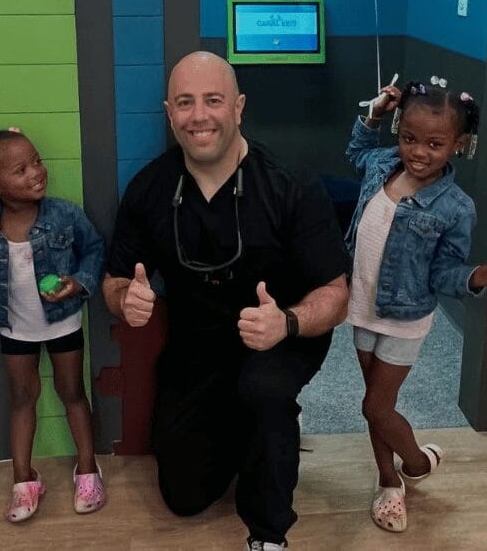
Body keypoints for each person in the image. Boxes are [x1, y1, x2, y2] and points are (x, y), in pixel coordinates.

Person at [102, 51, 350, 551]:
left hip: (278, 338)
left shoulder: (289, 184)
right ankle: (255, 427)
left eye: (213, 101)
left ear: (238, 107)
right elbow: (112, 280)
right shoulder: (149, 189)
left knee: (264, 392)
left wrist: (289, 322)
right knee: (184, 496)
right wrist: (124, 299)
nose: (199, 116)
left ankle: (268, 533)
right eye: (185, 103)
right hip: (197, 344)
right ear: (169, 112)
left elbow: (336, 294)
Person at [346, 77, 487, 533]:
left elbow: (445, 273)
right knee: (371, 403)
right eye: (409, 138)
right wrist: (377, 111)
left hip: (405, 318)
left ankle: (416, 463)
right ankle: (388, 483)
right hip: (361, 305)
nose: (418, 152)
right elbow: (356, 149)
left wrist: (477, 276)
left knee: (378, 408)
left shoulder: (456, 207)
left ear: (459, 145)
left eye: (435, 143)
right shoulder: (382, 163)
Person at [0, 127, 106, 522]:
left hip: (63, 323)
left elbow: (93, 250)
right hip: (14, 329)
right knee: (22, 398)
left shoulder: (65, 214)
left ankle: (88, 470)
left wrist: (79, 283)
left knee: (73, 393)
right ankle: (24, 480)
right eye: (20, 169)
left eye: (36, 161)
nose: (36, 172)